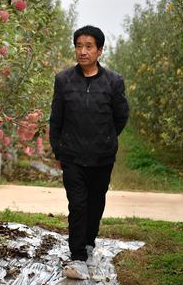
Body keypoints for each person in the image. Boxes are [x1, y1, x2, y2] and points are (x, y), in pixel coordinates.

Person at [49, 25, 129, 280]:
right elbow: (56, 119)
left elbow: (120, 117)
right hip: (72, 156)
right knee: (78, 205)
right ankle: (78, 257)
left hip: (101, 157)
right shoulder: (64, 80)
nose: (82, 51)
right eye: (78, 46)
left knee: (95, 204)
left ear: (99, 51)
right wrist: (58, 149)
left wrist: (105, 139)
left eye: (88, 46)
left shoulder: (113, 82)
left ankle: (89, 244)